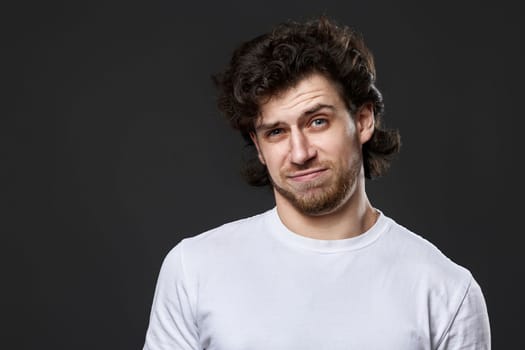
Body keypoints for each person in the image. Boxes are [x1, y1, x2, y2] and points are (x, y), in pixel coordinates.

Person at [143, 17, 490, 350]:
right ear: (259, 146)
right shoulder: (194, 269)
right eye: (276, 132)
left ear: (364, 120)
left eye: (318, 121)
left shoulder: (447, 292)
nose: (299, 152)